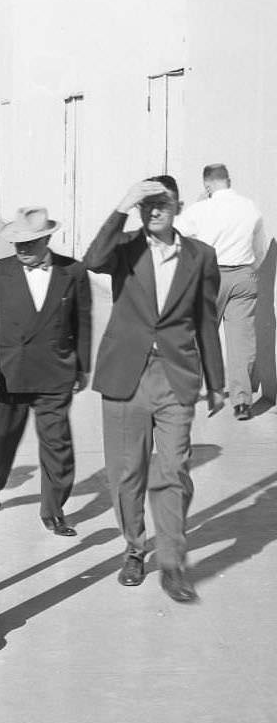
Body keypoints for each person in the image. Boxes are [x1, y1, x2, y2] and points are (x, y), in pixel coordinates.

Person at [84, 176, 224, 603]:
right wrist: (122, 204)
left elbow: (205, 320)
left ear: (178, 205)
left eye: (161, 202)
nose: (153, 209)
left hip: (176, 375)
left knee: (173, 470)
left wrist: (217, 383)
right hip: (127, 373)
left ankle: (172, 562)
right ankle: (133, 547)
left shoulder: (201, 256)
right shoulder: (125, 248)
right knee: (127, 472)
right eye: (146, 203)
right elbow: (92, 259)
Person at [0, 207, 92, 535]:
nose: (22, 249)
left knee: (57, 444)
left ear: (47, 238)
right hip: (9, 374)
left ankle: (53, 510)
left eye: (30, 242)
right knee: (2, 436)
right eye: (17, 243)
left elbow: (82, 320)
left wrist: (82, 367)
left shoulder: (73, 272)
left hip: (55, 373)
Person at [175, 164, 268, 420]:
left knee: (199, 337)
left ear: (207, 185)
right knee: (242, 342)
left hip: (210, 276)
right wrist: (251, 269)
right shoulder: (250, 207)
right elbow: (259, 248)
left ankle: (190, 393)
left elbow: (176, 234)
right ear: (229, 180)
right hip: (244, 275)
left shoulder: (201, 209)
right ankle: (242, 402)